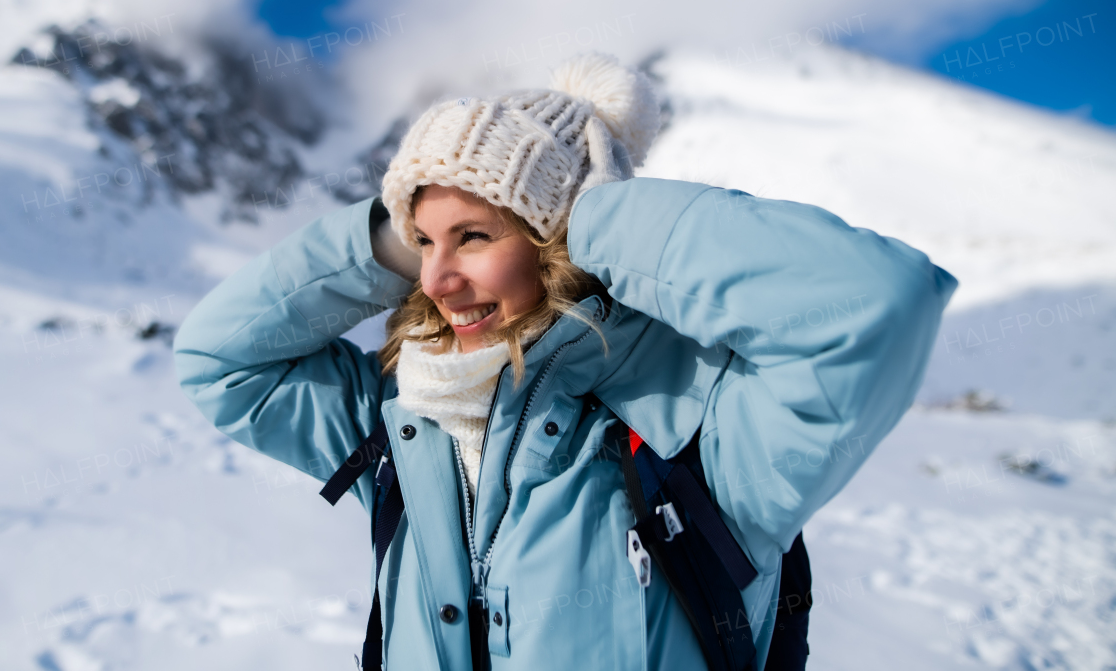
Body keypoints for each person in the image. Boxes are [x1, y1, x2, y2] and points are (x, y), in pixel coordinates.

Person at [173, 52, 958, 670]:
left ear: (559, 244)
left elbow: (878, 305)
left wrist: (598, 216)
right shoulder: (400, 414)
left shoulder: (696, 426)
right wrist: (389, 232)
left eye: (474, 236)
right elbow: (220, 358)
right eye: (421, 243)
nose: (437, 279)